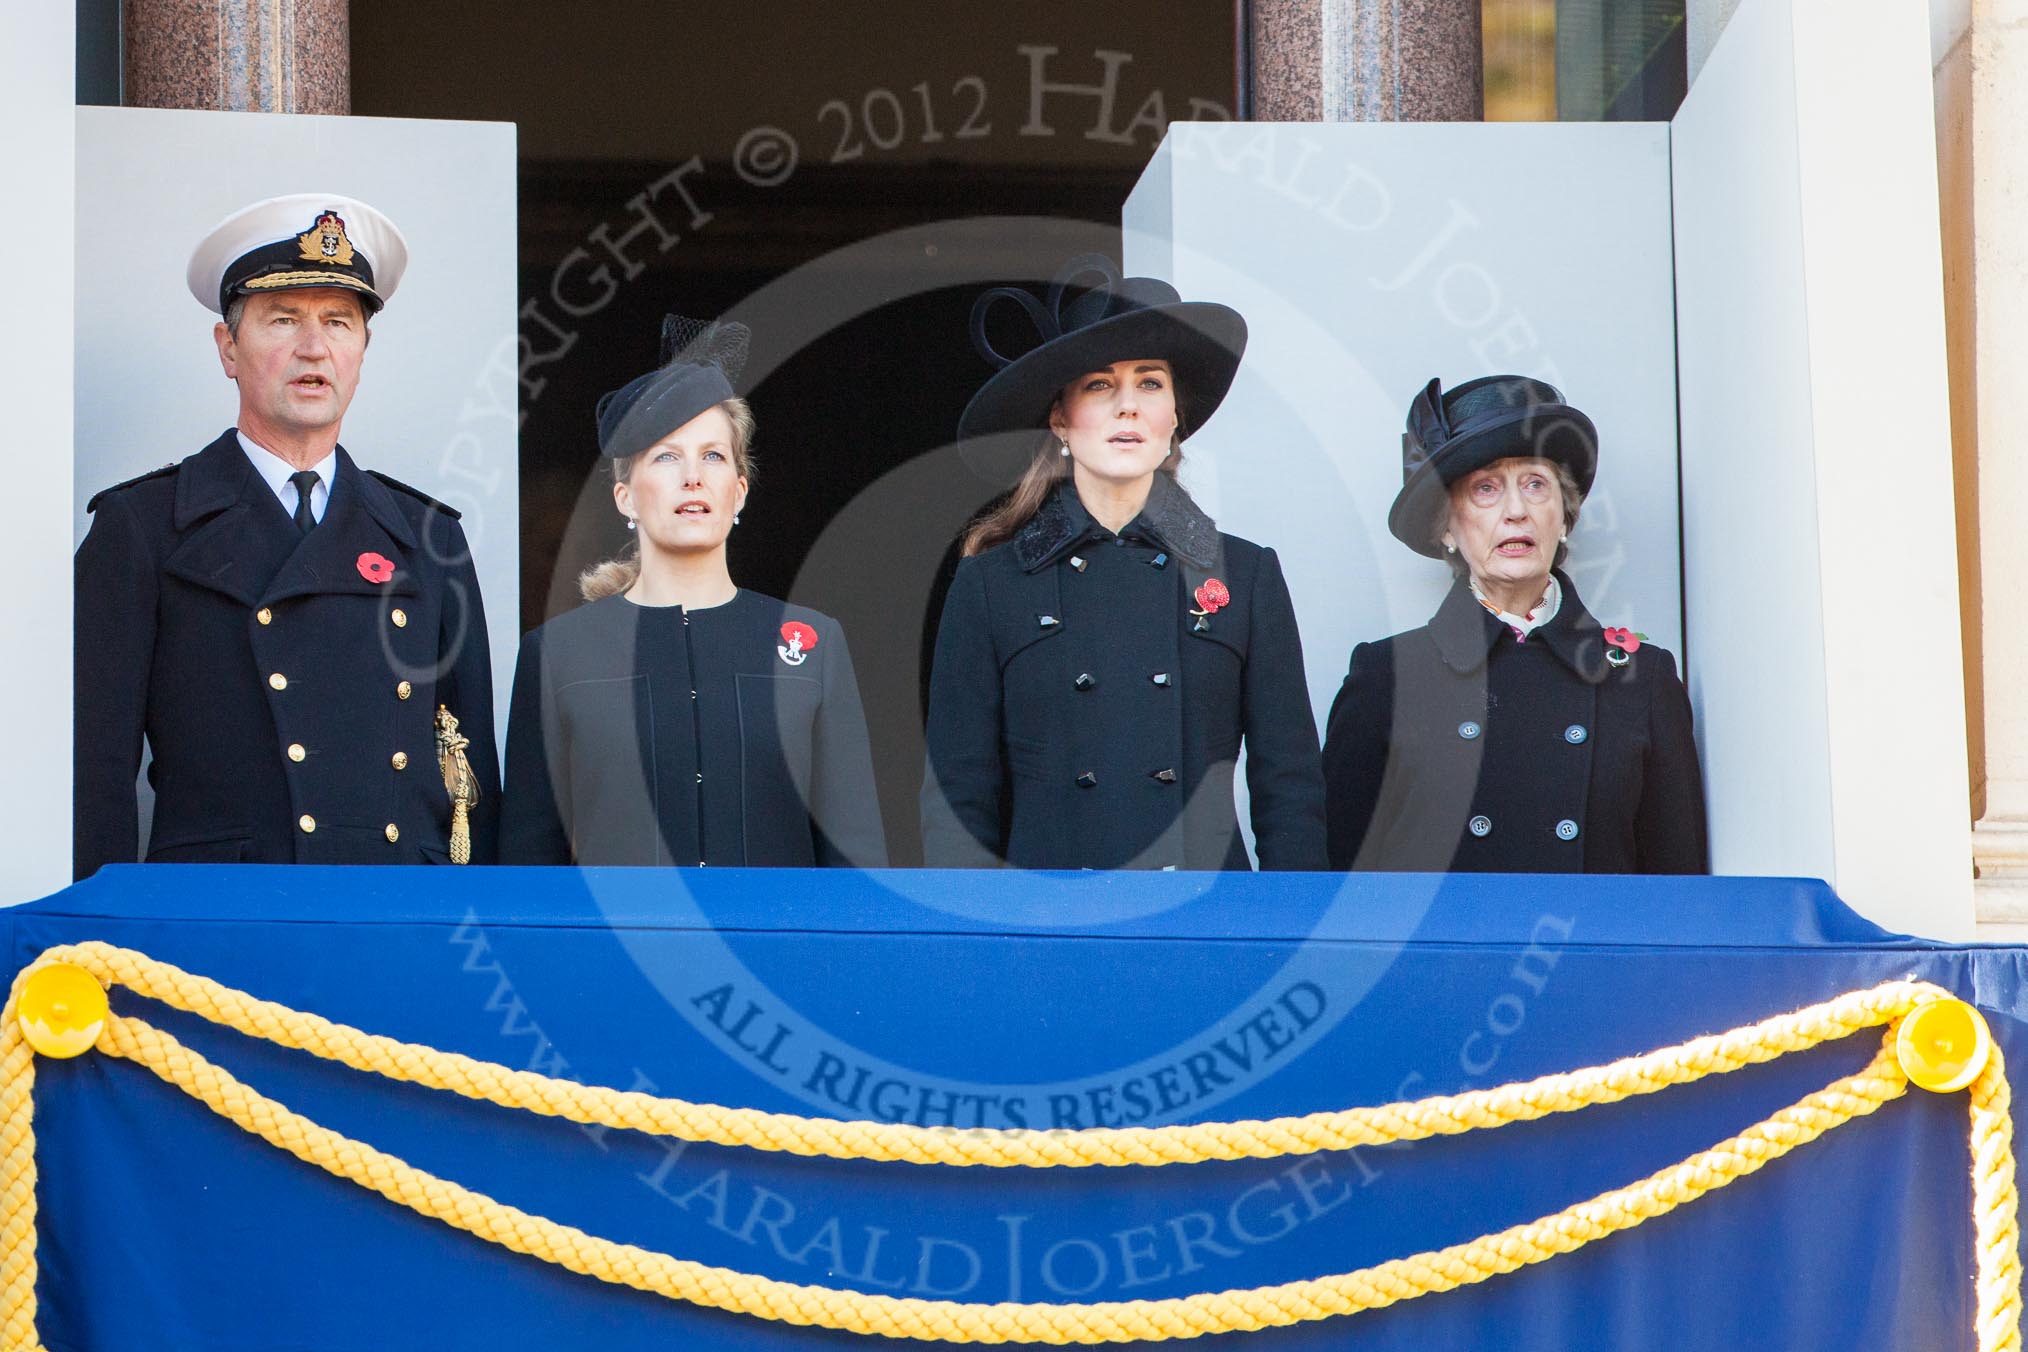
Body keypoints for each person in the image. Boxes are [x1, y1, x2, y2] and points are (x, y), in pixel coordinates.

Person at [73, 194, 499, 877]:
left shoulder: (426, 538)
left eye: (339, 322)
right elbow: (92, 780)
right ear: (228, 349)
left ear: (362, 350)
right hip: (220, 925)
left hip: (396, 921)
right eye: (282, 320)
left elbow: (470, 784)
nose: (314, 347)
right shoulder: (144, 528)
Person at [920, 259, 1327, 871]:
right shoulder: (990, 584)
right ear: (1061, 417)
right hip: (1048, 931)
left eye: (1150, 383)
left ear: (1175, 418)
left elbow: (1289, 790)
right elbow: (959, 800)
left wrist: (1285, 936)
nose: (1128, 407)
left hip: (1207, 927)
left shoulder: (1246, 576)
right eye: (1100, 385)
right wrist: (985, 951)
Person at [500, 316, 887, 868]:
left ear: (739, 490)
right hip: (616, 956)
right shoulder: (556, 655)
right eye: (665, 455)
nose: (693, 477)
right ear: (625, 497)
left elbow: (857, 869)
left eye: (712, 455)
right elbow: (527, 872)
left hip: (774, 955)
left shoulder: (814, 646)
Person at [1322, 375, 1708, 873]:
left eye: (1535, 485)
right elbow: (1343, 887)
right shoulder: (1385, 677)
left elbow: (1678, 892)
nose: (1516, 511)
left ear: (1564, 518)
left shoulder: (1642, 678)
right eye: (1486, 488)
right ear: (1447, 528)